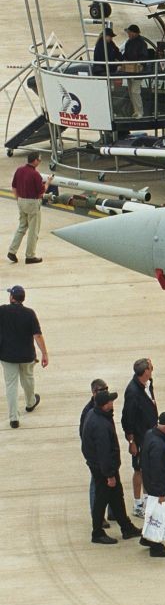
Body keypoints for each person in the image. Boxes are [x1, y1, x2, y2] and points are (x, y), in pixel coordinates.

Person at [82, 389, 143, 545]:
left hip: (102, 466)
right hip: (104, 469)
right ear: (105, 405)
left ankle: (126, 527)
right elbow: (104, 451)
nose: (113, 402)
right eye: (110, 401)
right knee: (102, 499)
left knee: (116, 496)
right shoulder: (101, 424)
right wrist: (109, 475)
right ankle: (97, 532)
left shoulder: (96, 415)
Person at [0, 285, 48, 430]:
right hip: (26, 355)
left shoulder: (2, 311)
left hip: (7, 355)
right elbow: (37, 335)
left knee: (11, 385)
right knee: (27, 378)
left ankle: (14, 418)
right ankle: (30, 402)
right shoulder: (29, 314)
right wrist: (44, 353)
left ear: (11, 297)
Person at [139, 411, 165, 558]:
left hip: (153, 486)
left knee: (152, 513)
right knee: (159, 517)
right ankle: (156, 547)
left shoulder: (151, 434)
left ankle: (146, 538)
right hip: (160, 489)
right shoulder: (158, 444)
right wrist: (161, 493)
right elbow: (157, 471)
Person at [121, 357, 157, 519]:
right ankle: (137, 504)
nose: (153, 369)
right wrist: (131, 441)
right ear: (145, 372)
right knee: (139, 469)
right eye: (150, 367)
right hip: (140, 437)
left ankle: (148, 501)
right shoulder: (133, 392)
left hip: (149, 435)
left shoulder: (147, 384)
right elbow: (127, 419)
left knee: (148, 468)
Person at [81, 378, 111, 534]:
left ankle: (112, 511)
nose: (105, 392)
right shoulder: (89, 412)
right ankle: (97, 515)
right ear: (93, 393)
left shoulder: (105, 406)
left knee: (112, 482)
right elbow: (84, 437)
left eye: (106, 388)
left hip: (106, 456)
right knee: (97, 485)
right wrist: (94, 459)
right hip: (97, 459)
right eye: (101, 390)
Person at [9, 152, 47, 265]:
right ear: (35, 161)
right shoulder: (36, 175)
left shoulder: (19, 170)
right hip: (32, 203)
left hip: (20, 201)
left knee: (22, 227)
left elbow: (14, 186)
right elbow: (41, 193)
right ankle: (30, 256)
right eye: (39, 160)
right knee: (33, 230)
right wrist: (48, 183)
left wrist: (18, 200)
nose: (40, 162)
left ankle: (12, 250)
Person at [121, 24, 149, 118]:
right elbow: (125, 55)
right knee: (131, 91)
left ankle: (140, 112)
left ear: (134, 33)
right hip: (129, 70)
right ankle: (136, 111)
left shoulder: (142, 43)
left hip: (138, 71)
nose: (128, 34)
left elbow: (144, 57)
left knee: (135, 91)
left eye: (129, 32)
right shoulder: (129, 42)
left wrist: (139, 64)